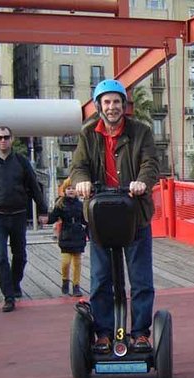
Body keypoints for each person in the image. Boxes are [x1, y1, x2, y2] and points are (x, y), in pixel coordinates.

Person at [70, 79, 159, 353]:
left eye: (116, 102)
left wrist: (142, 181)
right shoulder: (88, 134)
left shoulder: (141, 132)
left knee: (141, 279)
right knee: (100, 279)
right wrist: (83, 181)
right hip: (101, 219)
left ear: (124, 105)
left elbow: (150, 164)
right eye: (106, 102)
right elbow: (79, 166)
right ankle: (104, 334)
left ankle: (141, 333)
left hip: (134, 216)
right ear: (99, 106)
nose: (112, 107)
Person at [0, 126, 48, 313]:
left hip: (18, 214)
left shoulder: (21, 162)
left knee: (20, 255)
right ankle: (8, 296)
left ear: (12, 139)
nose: (2, 140)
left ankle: (14, 284)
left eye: (6, 137)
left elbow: (34, 187)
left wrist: (43, 211)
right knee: (1, 256)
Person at [48, 177, 87, 297]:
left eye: (73, 188)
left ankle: (76, 285)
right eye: (69, 188)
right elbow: (53, 217)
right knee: (66, 262)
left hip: (78, 235)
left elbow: (85, 220)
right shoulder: (60, 203)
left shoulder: (81, 204)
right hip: (66, 235)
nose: (71, 190)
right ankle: (65, 280)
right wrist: (47, 217)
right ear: (64, 190)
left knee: (77, 262)